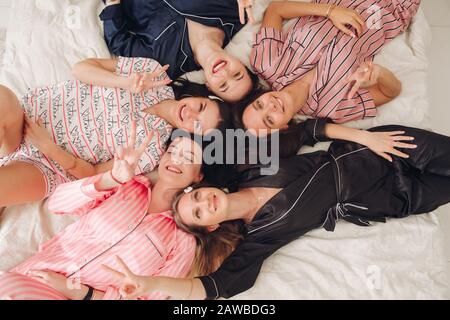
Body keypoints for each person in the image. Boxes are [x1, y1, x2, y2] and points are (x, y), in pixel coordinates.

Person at [103, 124, 450, 300]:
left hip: (378, 150)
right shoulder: (260, 236)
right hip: (392, 197)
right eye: (197, 213)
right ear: (208, 227)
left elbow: (309, 130)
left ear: (208, 187)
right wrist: (148, 283)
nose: (202, 203)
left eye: (196, 197)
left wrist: (366, 137)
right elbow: (211, 287)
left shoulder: (253, 165)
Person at [0, 135, 242, 300]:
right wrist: (110, 179)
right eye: (173, 151)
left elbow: (149, 297)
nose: (176, 159)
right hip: (38, 278)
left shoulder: (182, 243)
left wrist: (83, 294)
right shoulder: (125, 185)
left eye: (188, 157)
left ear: (198, 176)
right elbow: (57, 203)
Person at [0, 56, 231, 207]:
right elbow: (80, 69)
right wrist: (124, 83)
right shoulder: (153, 72)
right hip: (29, 114)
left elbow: (93, 173)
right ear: (200, 96)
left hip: (48, 165)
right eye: (200, 107)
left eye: (198, 124)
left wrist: (48, 147)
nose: (190, 114)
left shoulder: (153, 151)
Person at [247, 0, 420, 126]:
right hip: (394, 7)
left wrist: (330, 11)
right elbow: (391, 92)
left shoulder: (267, 64)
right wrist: (379, 73)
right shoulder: (334, 108)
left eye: (259, 104)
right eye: (269, 120)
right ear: (283, 129)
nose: (270, 106)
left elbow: (275, 9)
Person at [100, 0, 259, 102]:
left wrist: (113, 3)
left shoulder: (166, 64)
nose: (225, 74)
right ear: (241, 63)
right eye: (237, 74)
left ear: (209, 87)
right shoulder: (235, 13)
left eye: (223, 85)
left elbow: (119, 42)